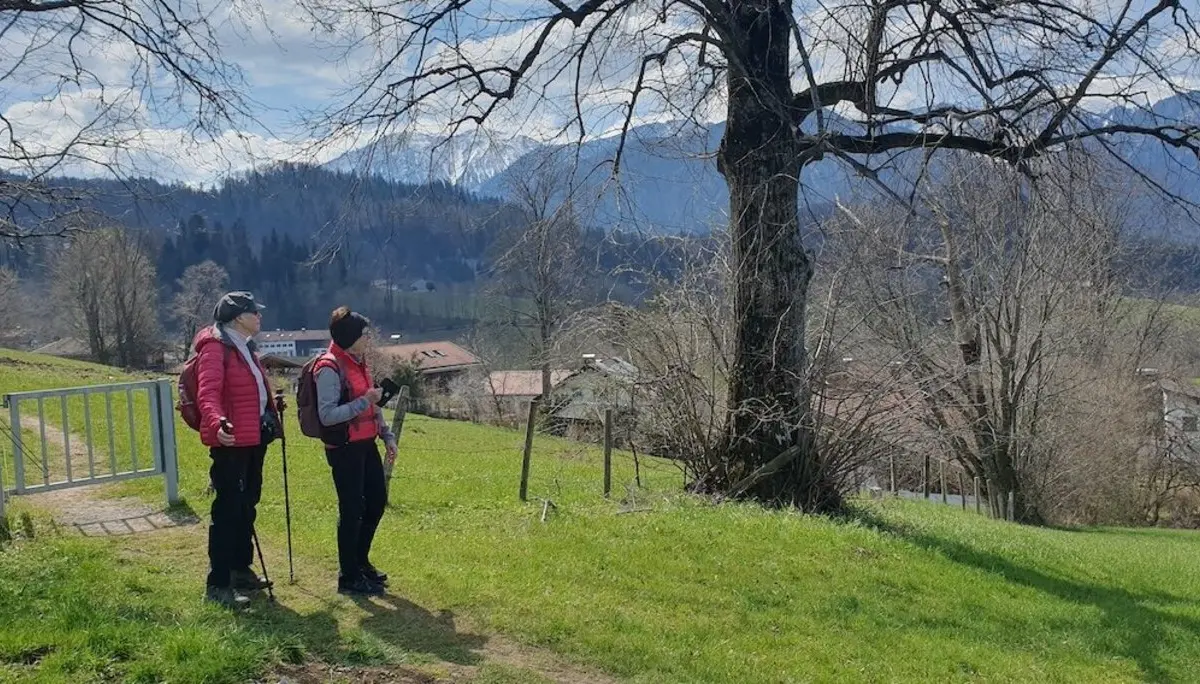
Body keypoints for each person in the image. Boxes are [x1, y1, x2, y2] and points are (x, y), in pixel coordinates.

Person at [193, 291, 281, 608]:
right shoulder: (216, 347)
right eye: (254, 312)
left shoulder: (245, 348)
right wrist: (217, 423)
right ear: (238, 317)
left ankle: (240, 570)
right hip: (230, 440)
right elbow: (208, 392)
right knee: (228, 510)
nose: (259, 316)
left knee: (247, 504)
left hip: (253, 438)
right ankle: (218, 583)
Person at [313, 305, 397, 596]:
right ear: (350, 336)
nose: (367, 339)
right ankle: (348, 576)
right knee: (352, 510)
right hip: (344, 448)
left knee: (375, 502)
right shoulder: (328, 368)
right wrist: (365, 401)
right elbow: (327, 415)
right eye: (363, 334)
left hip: (366, 443)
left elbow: (373, 403)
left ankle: (360, 563)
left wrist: (386, 435)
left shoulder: (359, 361)